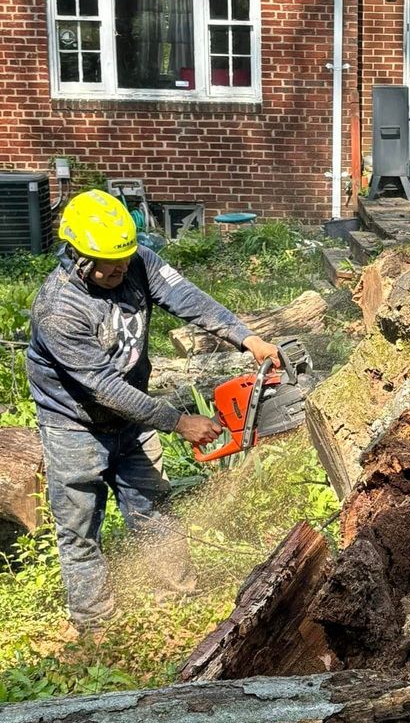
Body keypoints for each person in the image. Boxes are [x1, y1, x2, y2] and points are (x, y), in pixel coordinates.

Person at [26, 188, 280, 635]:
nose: (122, 269)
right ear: (78, 256)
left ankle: (178, 595)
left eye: (125, 258)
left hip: (132, 417)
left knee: (154, 507)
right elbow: (104, 387)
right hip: (73, 425)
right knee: (80, 525)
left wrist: (247, 338)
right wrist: (178, 421)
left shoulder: (138, 261)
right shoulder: (58, 308)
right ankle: (95, 624)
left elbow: (192, 301)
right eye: (111, 263)